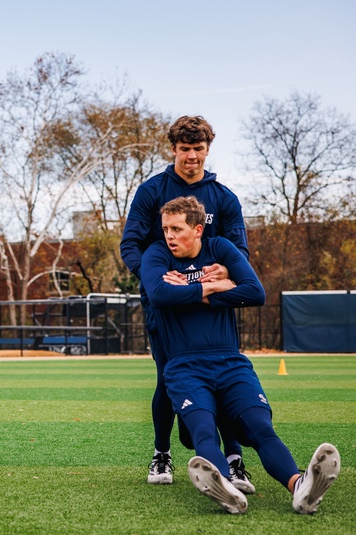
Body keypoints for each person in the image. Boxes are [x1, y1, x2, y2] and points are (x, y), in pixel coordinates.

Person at [141, 195, 340, 514]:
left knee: (260, 426)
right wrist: (214, 287)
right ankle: (227, 488)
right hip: (184, 366)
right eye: (165, 229)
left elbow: (255, 292)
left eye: (177, 229)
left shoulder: (219, 247)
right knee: (204, 429)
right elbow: (160, 294)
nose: (169, 236)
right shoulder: (156, 253)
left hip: (230, 362)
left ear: (197, 229)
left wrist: (191, 292)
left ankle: (300, 486)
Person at [120, 115, 253, 490]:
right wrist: (153, 278)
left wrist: (222, 279)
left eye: (198, 149)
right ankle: (162, 455)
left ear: (207, 149)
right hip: (167, 306)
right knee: (168, 378)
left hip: (214, 304)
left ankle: (234, 458)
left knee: (225, 379)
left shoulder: (224, 197)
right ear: (173, 149)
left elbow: (239, 249)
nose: (191, 157)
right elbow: (130, 244)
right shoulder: (151, 191)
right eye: (184, 150)